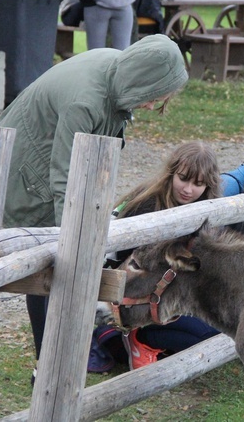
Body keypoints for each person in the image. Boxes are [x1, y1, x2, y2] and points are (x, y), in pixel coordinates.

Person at [0, 34, 188, 383]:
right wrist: (71, 243)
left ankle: (65, 353)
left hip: (44, 171)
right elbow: (63, 177)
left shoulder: (119, 75)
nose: (151, 105)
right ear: (144, 80)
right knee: (49, 268)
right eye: (154, 97)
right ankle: (48, 366)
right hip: (25, 174)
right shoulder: (86, 101)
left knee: (62, 267)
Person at [96, 141, 222, 372]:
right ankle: (139, 340)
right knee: (206, 335)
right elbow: (119, 262)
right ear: (171, 173)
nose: (188, 189)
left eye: (198, 184)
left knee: (218, 329)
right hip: (126, 295)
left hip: (163, 292)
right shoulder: (145, 207)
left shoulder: (200, 209)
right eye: (183, 178)